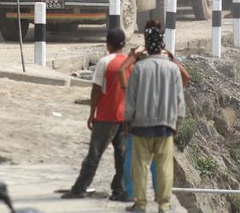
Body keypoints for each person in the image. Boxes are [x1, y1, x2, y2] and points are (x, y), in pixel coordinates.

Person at [61, 28, 131, 202]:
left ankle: (79, 188)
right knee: (122, 156)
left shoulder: (105, 62)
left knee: (94, 154)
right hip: (125, 117)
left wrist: (92, 114)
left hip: (107, 116)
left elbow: (96, 91)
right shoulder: (131, 64)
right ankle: (119, 190)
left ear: (108, 44)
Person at [124, 20, 186, 213]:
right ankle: (164, 205)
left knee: (140, 166)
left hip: (141, 125)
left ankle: (141, 205)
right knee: (164, 167)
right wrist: (177, 123)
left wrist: (128, 121)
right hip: (166, 126)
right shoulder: (173, 69)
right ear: (163, 45)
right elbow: (180, 102)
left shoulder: (139, 69)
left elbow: (130, 101)